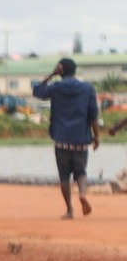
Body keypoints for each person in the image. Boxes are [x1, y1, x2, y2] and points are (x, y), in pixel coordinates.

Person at [32, 58, 101, 219]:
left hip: (61, 138)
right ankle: (82, 194)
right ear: (75, 70)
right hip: (80, 139)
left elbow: (37, 91)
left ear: (60, 70)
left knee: (64, 176)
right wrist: (96, 136)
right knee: (81, 172)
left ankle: (70, 210)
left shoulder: (56, 87)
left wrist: (51, 75)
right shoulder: (87, 88)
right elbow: (93, 115)